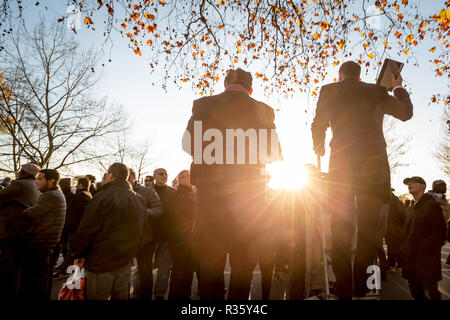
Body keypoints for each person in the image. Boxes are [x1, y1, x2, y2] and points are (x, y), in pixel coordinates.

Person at [311, 61, 413, 299]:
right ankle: (361, 286)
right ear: (359, 76)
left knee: (340, 230)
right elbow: (405, 113)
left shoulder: (329, 90)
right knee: (368, 233)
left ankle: (344, 290)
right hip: (373, 170)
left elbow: (318, 123)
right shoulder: (377, 91)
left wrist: (319, 145)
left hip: (342, 168)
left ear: (340, 75)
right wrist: (397, 87)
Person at [183, 68, 282, 299]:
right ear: (251, 89)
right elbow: (274, 152)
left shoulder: (202, 105)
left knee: (210, 262)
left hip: (211, 197)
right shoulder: (264, 110)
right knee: (243, 262)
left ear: (225, 83)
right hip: (250, 199)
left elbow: (188, 144)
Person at [71, 163, 145, 300]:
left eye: (105, 175)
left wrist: (78, 252)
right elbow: (140, 229)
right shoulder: (138, 199)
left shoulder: (102, 196)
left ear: (111, 176)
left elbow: (87, 228)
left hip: (100, 261)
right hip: (124, 259)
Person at [18, 169, 66, 299]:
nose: (36, 182)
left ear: (51, 181)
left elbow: (31, 214)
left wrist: (23, 211)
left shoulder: (51, 195)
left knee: (37, 283)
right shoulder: (56, 193)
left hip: (41, 244)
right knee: (43, 280)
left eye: (40, 179)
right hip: (49, 243)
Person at [400, 176, 447, 300]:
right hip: (411, 259)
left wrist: (420, 247)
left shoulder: (431, 205)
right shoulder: (411, 208)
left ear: (423, 186)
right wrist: (404, 248)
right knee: (415, 290)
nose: (409, 184)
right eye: (408, 183)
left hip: (427, 260)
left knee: (431, 292)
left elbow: (440, 233)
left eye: (413, 182)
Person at [0, 163, 41, 298]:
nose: (18, 173)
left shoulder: (20, 184)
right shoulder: (35, 185)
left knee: (9, 265)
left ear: (24, 172)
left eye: (20, 171)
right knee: (17, 264)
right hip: (25, 230)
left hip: (12, 230)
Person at [128, 168, 162, 300]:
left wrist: (144, 212)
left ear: (134, 177)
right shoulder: (119, 192)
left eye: (129, 176)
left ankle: (146, 297)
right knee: (123, 274)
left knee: (145, 271)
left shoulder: (147, 191)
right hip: (123, 239)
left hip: (145, 238)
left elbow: (159, 209)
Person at [167, 170, 197, 300]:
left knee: (189, 269)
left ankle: (186, 294)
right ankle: (175, 296)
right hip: (181, 238)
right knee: (179, 269)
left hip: (192, 238)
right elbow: (175, 217)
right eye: (188, 176)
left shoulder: (192, 193)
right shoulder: (177, 195)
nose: (191, 178)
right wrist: (192, 226)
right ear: (181, 179)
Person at [56, 177, 92, 277]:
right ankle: (65, 269)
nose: (76, 185)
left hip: (74, 228)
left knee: (71, 251)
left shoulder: (80, 196)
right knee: (70, 250)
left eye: (78, 184)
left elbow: (73, 214)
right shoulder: (87, 195)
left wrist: (67, 226)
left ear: (81, 185)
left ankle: (65, 271)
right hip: (77, 227)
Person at [152, 167, 176, 300]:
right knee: (142, 269)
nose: (164, 176)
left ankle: (160, 293)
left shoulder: (173, 192)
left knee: (164, 268)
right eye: (161, 174)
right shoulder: (147, 192)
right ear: (154, 176)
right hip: (149, 236)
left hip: (166, 235)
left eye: (166, 174)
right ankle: (138, 294)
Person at [427, 180, 450, 264]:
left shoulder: (445, 201)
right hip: (428, 232)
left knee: (435, 256)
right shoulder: (427, 199)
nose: (442, 188)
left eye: (444, 186)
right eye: (439, 186)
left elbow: (446, 219)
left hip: (439, 234)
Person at [386, 190, 406, 270]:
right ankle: (400, 263)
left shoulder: (388, 201)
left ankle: (391, 263)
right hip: (398, 227)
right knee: (397, 246)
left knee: (391, 246)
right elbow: (403, 214)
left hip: (391, 226)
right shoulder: (399, 201)